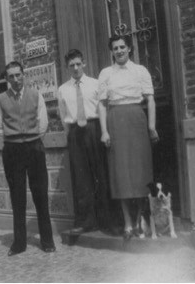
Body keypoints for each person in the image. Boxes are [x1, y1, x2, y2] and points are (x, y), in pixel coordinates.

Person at [98, 35, 159, 240]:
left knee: (140, 171)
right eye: (115, 48)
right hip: (115, 120)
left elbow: (150, 100)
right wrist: (104, 131)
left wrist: (151, 126)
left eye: (122, 47)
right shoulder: (106, 73)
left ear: (129, 49)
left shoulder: (140, 71)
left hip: (136, 119)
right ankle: (127, 223)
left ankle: (141, 219)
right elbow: (102, 104)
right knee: (121, 173)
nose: (119, 50)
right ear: (112, 52)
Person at [0, 61, 56, 256]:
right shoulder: (1, 99)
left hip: (34, 147)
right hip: (12, 150)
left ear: (23, 75)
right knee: (17, 196)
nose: (15, 79)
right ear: (7, 79)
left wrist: (30, 138)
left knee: (40, 194)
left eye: (18, 75)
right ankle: (19, 243)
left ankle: (47, 241)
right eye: (11, 76)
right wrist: (13, 138)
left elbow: (43, 122)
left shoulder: (36, 95)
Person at [57, 49, 115, 234]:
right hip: (76, 132)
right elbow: (63, 115)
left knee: (102, 174)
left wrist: (103, 131)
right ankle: (86, 221)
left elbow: (104, 108)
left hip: (95, 127)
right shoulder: (63, 89)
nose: (75, 68)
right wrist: (71, 134)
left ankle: (107, 220)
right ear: (67, 67)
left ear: (84, 63)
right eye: (71, 65)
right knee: (81, 178)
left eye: (78, 64)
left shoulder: (95, 84)